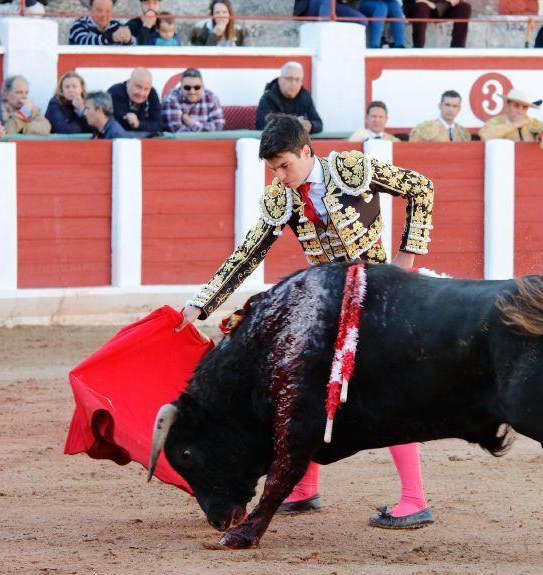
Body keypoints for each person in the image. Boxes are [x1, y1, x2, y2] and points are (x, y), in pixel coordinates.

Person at [177, 114, 436, 529]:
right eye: (273, 169)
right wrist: (201, 304)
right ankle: (303, 488)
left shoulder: (352, 170)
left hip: (377, 296)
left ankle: (414, 498)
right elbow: (247, 253)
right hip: (326, 302)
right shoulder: (282, 198)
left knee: (388, 391)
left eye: (285, 166)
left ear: (305, 151)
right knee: (302, 385)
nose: (280, 177)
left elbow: (420, 188)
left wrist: (407, 260)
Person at [478, 88, 543, 152]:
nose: (520, 111)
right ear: (507, 107)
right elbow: (485, 136)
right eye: (516, 106)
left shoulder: (532, 122)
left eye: (524, 107)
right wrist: (514, 125)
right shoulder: (496, 121)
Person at [255, 61, 323, 134]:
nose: (293, 83)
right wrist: (293, 124)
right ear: (280, 80)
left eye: (297, 80)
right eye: (290, 79)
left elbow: (319, 123)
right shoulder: (267, 97)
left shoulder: (305, 96)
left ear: (301, 82)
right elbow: (262, 125)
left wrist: (311, 126)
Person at [162, 68, 225, 132]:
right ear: (181, 87)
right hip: (179, 142)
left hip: (207, 141)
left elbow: (218, 126)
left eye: (197, 87)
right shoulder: (171, 99)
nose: (192, 91)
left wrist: (192, 123)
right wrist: (205, 130)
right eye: (187, 87)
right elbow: (178, 131)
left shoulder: (211, 98)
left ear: (203, 86)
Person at [107, 67, 163, 133]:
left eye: (146, 89)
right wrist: (143, 125)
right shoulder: (116, 92)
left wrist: (138, 124)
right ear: (128, 82)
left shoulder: (152, 93)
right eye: (138, 87)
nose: (141, 93)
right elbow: (121, 126)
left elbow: (158, 126)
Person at [403, 0, 472, 49]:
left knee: (465, 7)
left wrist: (439, 5)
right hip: (418, 6)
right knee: (422, 6)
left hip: (442, 6)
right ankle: (418, 48)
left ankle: (457, 49)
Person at [69, 0, 135, 46]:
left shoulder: (116, 25)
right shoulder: (79, 25)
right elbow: (85, 42)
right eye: (99, 10)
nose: (104, 15)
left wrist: (128, 39)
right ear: (90, 9)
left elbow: (135, 45)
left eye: (108, 11)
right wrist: (111, 37)